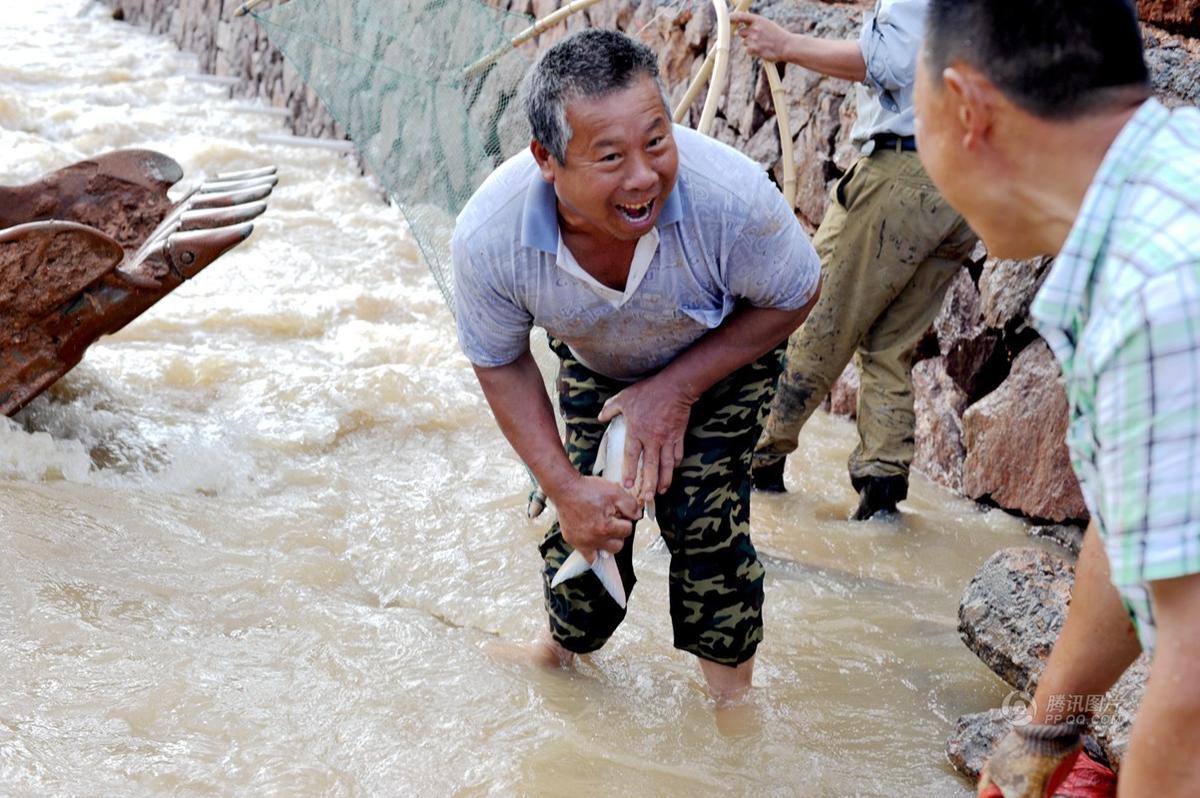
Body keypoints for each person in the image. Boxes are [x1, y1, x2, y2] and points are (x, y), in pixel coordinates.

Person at [452, 29, 821, 701]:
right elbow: (500, 362)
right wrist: (562, 485)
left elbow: (797, 293)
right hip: (598, 360)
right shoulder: (490, 236)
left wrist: (676, 388)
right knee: (591, 517)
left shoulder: (732, 200)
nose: (644, 176)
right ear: (547, 159)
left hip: (724, 352)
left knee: (703, 519)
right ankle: (559, 653)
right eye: (611, 156)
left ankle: (732, 712)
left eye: (657, 142)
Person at [914, 0, 1200, 794]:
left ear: (967, 107)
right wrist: (1050, 725)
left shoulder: (1164, 287)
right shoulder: (1164, 196)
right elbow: (1143, 522)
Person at [731, 1, 977, 519]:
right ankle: (882, 497)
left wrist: (787, 46)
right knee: (890, 346)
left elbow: (896, 60)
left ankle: (754, 469)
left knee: (810, 318)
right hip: (967, 185)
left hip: (905, 172)